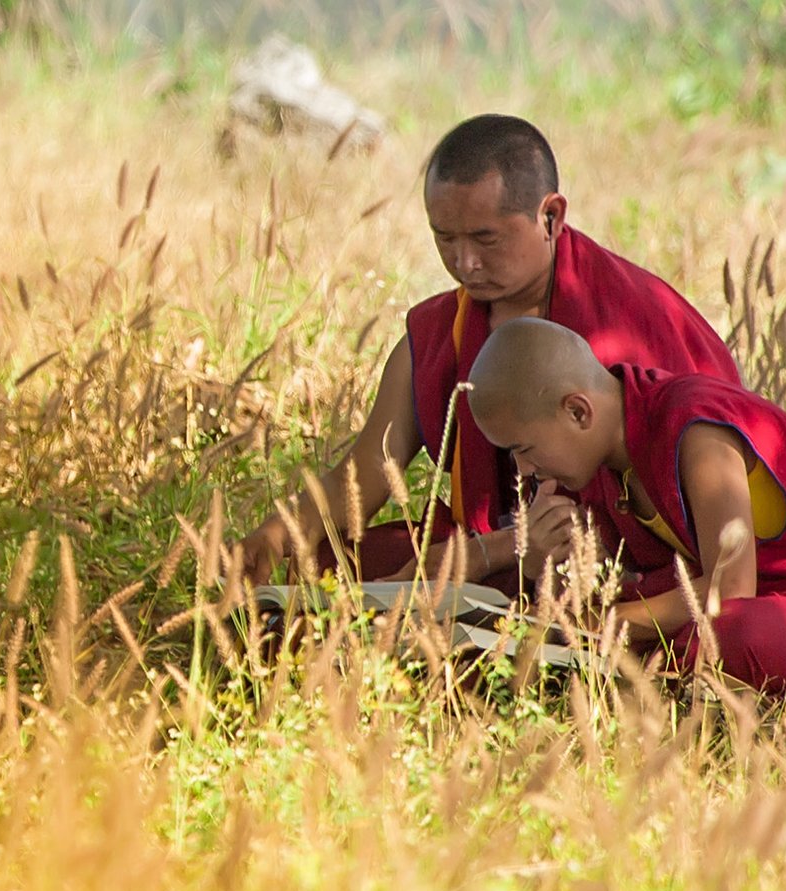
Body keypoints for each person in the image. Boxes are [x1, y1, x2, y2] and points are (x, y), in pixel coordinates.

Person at [235, 114, 741, 593]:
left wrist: (482, 556)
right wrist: (278, 534)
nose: (465, 263)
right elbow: (369, 467)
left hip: (620, 569)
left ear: (550, 216)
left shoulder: (631, 321)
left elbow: (669, 510)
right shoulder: (439, 334)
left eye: (485, 238)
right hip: (494, 558)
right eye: (444, 239)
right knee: (321, 569)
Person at [464, 317, 786, 692]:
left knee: (729, 638)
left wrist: (604, 625)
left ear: (578, 411)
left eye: (524, 451)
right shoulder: (597, 459)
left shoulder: (693, 427)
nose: (524, 471)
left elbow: (731, 587)